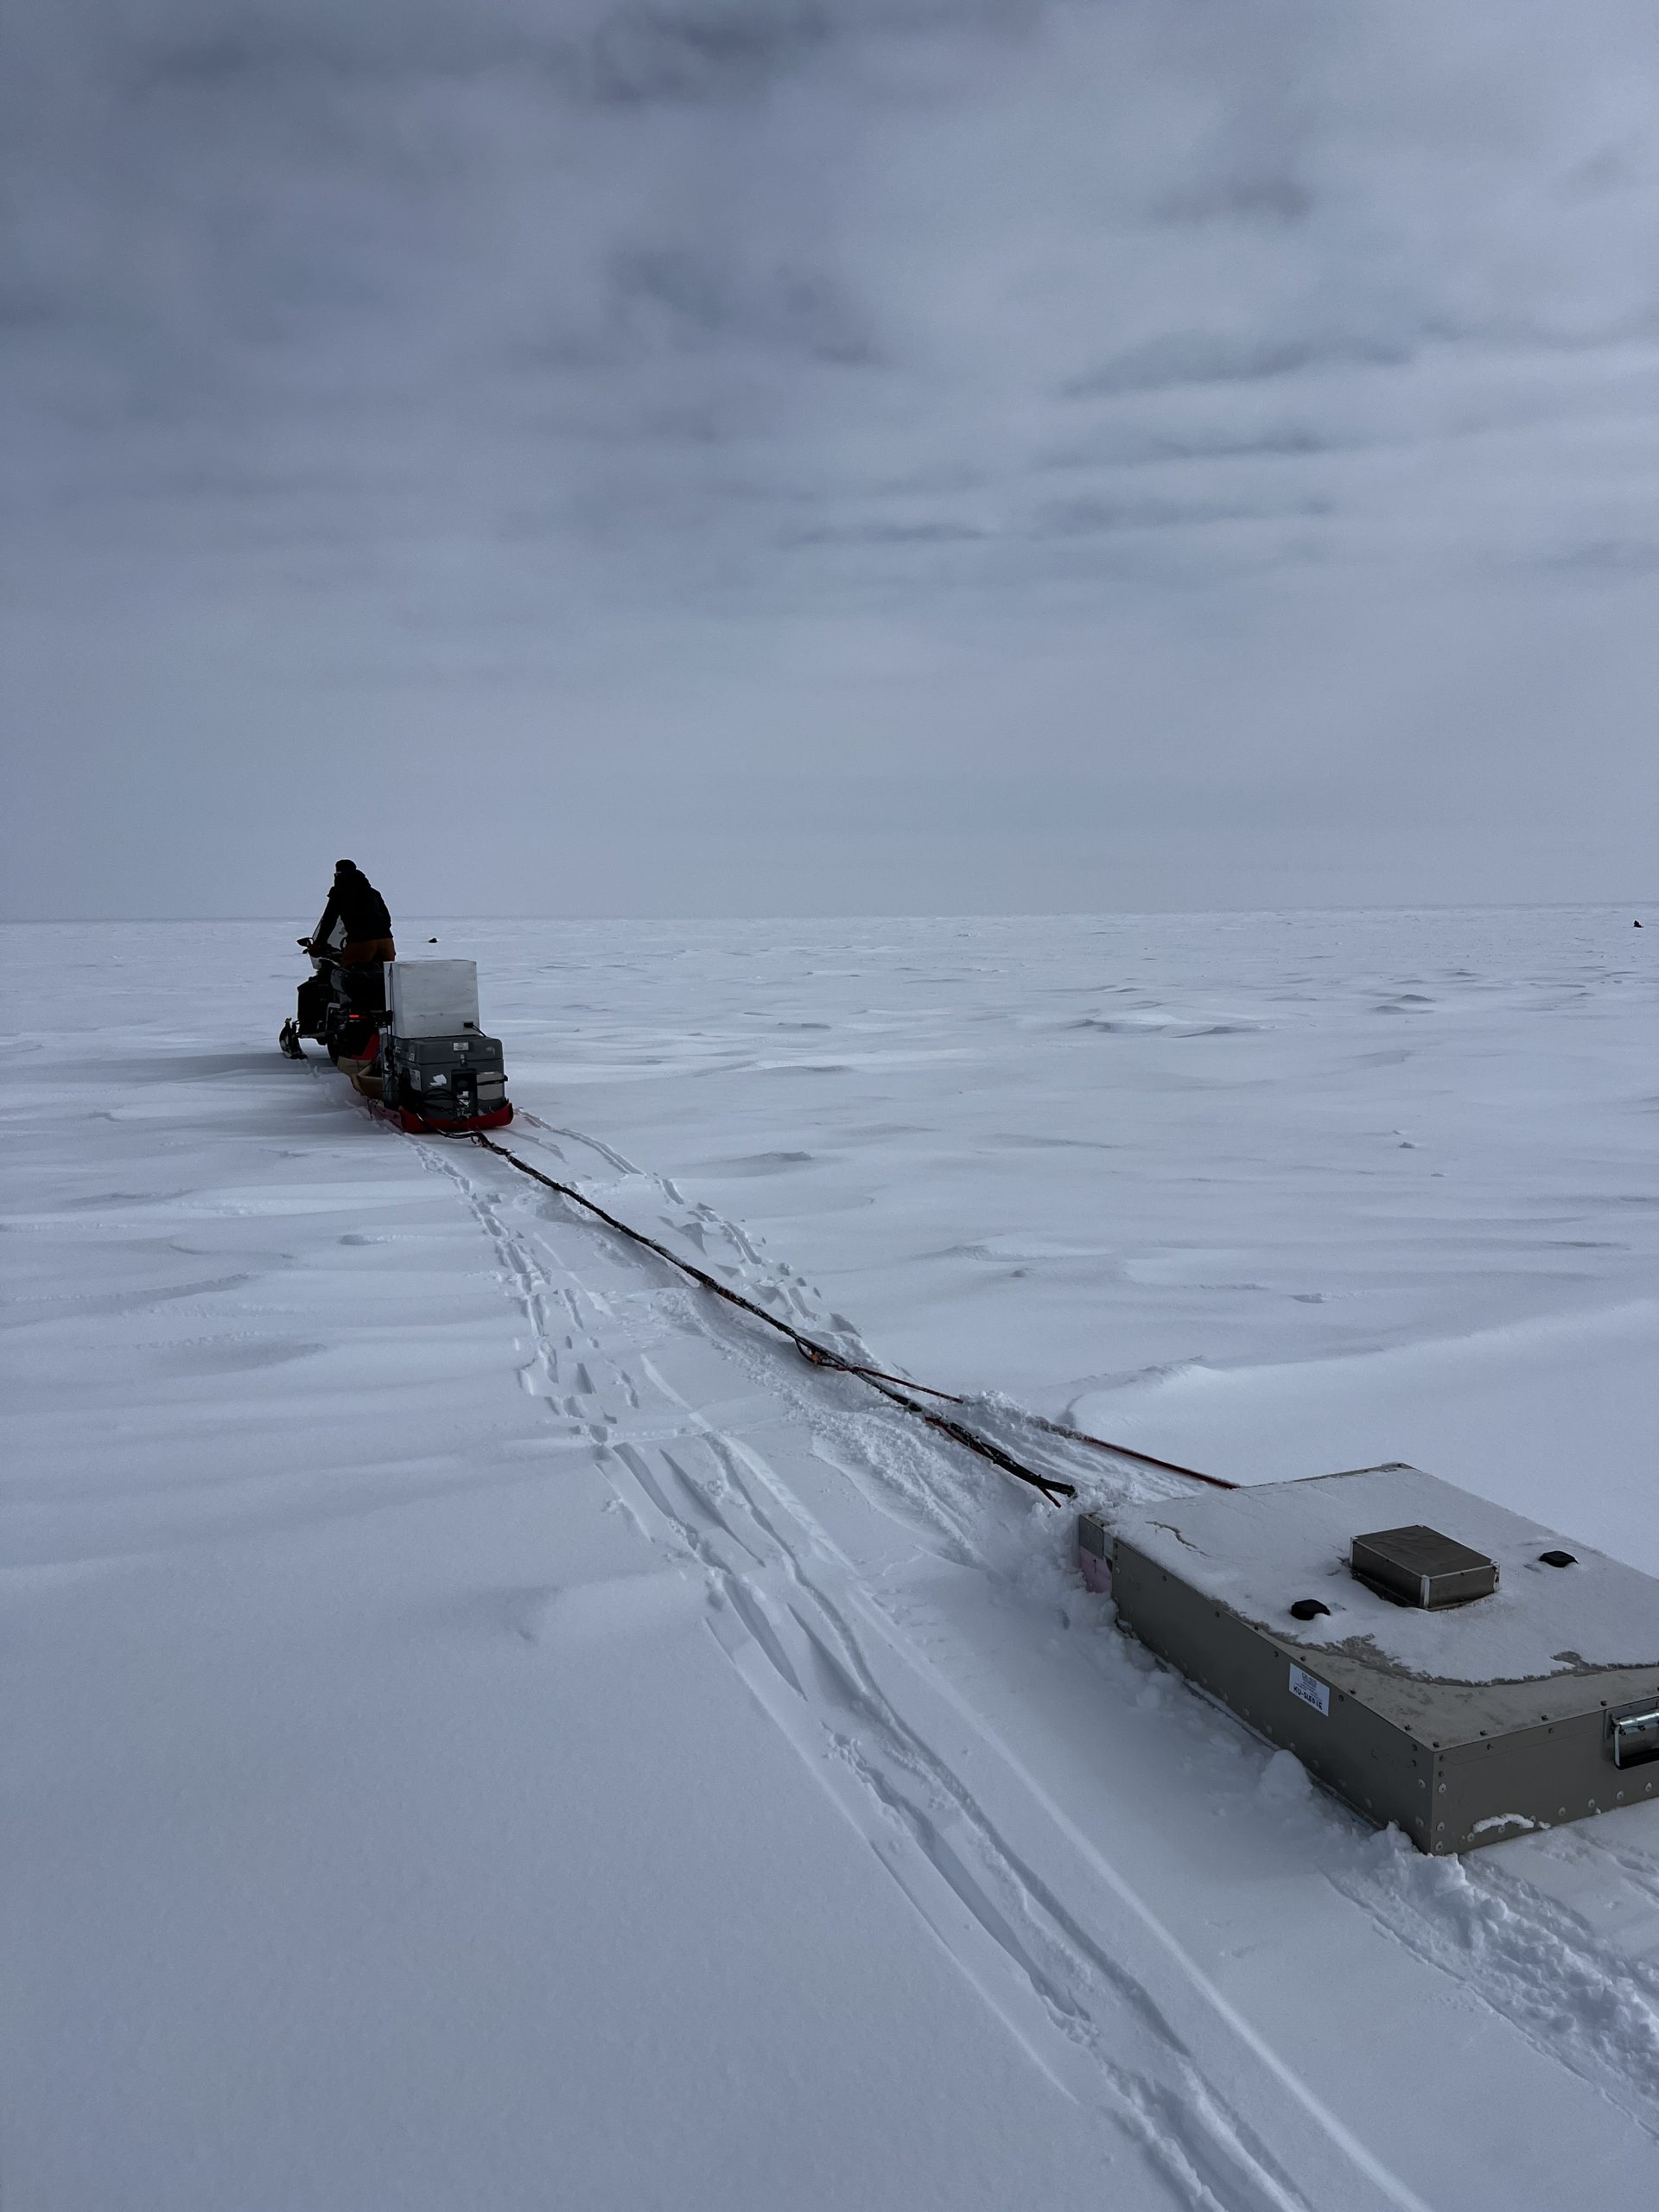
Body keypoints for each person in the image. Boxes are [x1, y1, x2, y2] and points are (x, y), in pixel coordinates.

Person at [302, 860, 396, 1009]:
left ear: (337, 874)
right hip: (386, 941)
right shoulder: (373, 892)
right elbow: (387, 919)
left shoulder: (340, 892)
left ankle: (351, 1013)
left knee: (346, 975)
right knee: (384, 977)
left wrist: (319, 943)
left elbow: (329, 920)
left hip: (362, 941)